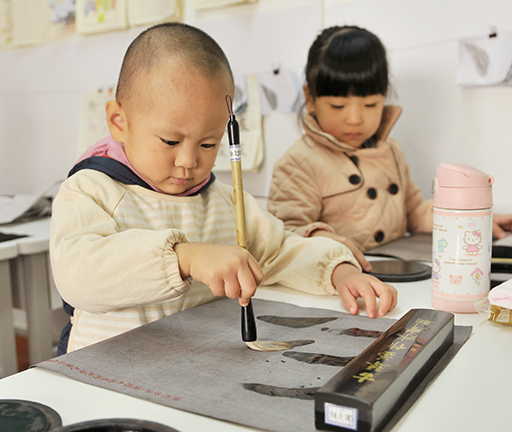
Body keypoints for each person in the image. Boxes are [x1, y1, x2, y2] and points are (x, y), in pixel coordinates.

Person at [49, 22, 397, 354]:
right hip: (105, 379)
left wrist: (338, 271)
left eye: (207, 144)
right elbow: (77, 275)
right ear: (118, 122)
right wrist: (185, 257)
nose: (188, 161)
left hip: (196, 374)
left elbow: (280, 250)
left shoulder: (224, 201)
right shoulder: (90, 189)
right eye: (171, 140)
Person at [267, 26, 512, 272]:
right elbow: (284, 233)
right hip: (343, 279)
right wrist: (320, 237)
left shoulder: (390, 149)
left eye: (370, 104)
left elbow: (415, 211)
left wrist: (468, 222)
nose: (355, 118)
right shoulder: (298, 162)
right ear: (309, 98)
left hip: (395, 270)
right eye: (338, 106)